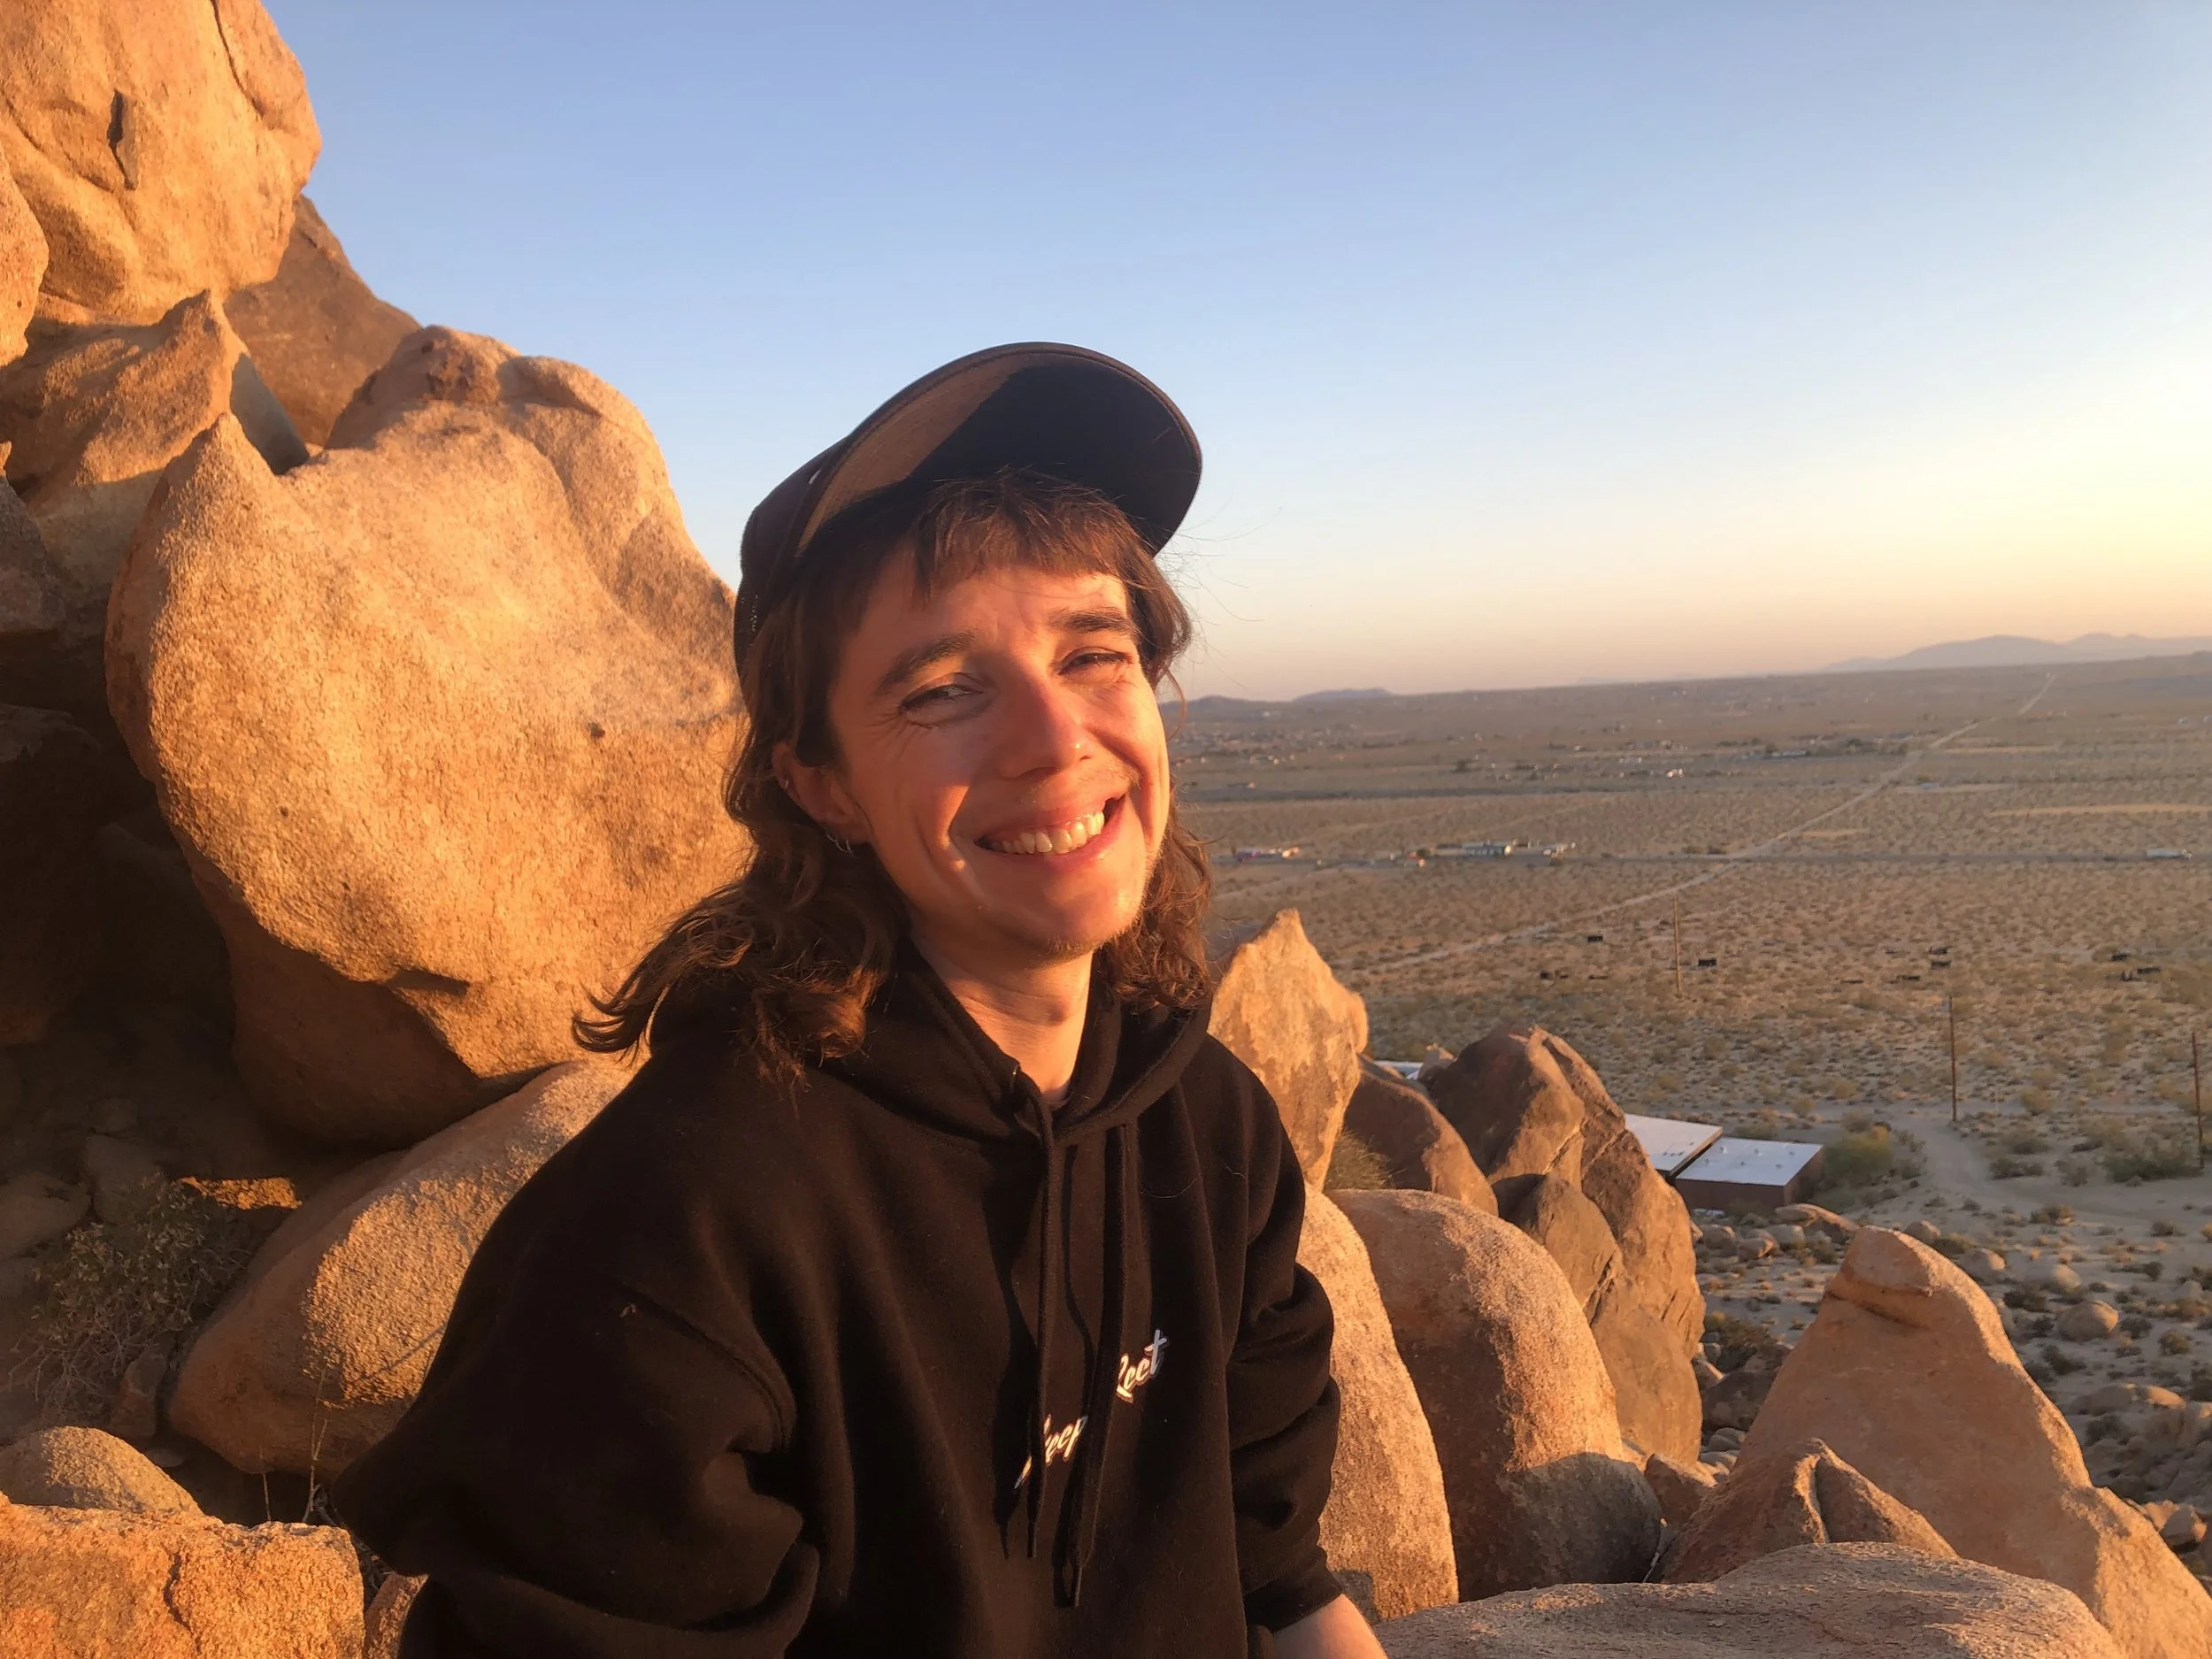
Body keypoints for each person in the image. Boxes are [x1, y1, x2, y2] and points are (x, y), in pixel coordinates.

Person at [334, 344, 1383, 1658]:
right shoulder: (691, 1226)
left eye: (1094, 654)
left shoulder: (1209, 1130)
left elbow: (1281, 1585)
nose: (1054, 737)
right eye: (943, 690)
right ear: (821, 783)